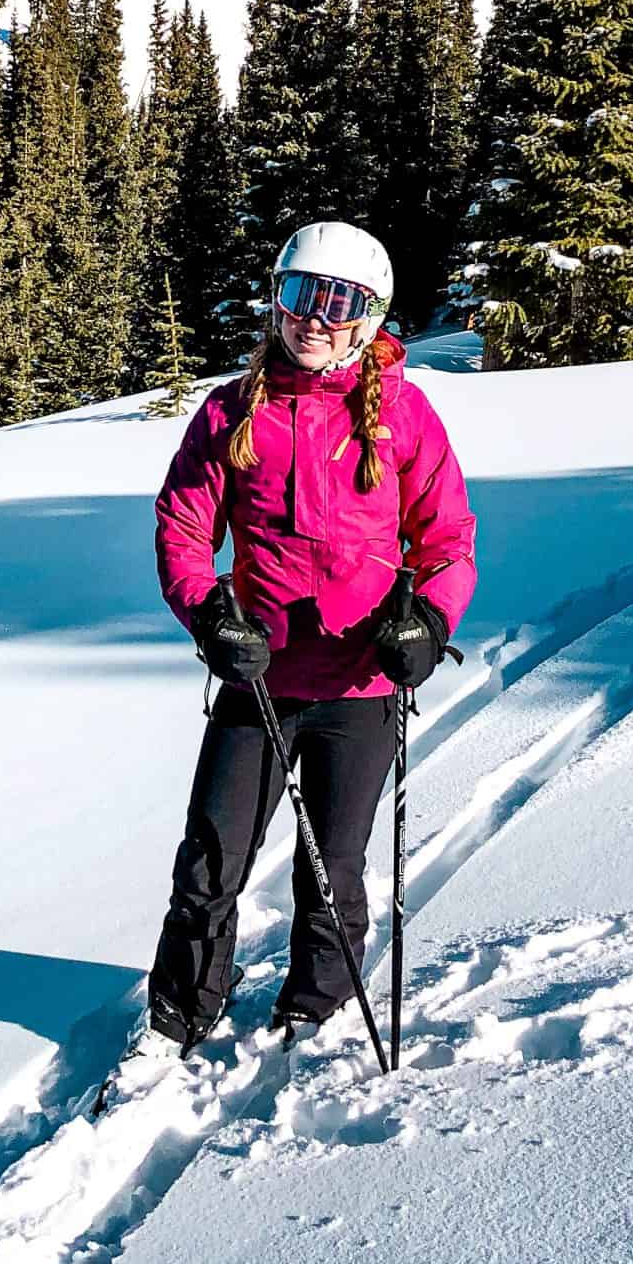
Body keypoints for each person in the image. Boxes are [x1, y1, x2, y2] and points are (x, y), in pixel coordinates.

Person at [143, 221, 477, 1056]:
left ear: (371, 315)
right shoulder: (231, 410)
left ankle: (315, 1003)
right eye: (299, 295)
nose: (314, 319)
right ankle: (179, 1011)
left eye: (338, 303)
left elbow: (447, 541)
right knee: (211, 859)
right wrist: (210, 615)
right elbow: (184, 526)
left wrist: (427, 625)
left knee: (333, 863)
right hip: (258, 678)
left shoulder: (402, 412)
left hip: (361, 682)